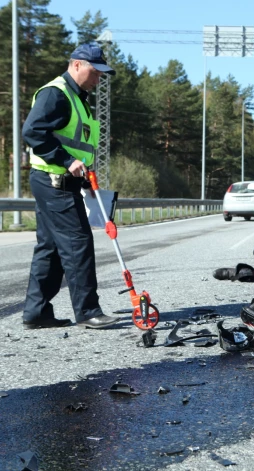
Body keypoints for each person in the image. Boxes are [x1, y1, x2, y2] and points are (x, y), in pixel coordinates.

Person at [21, 43, 119, 330]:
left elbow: (75, 144)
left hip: (63, 180)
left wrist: (85, 174)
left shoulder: (78, 98)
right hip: (53, 181)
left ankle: (36, 312)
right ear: (76, 64)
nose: (98, 78)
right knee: (78, 243)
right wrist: (65, 161)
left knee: (50, 249)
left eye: (102, 73)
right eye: (95, 71)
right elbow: (33, 131)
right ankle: (88, 311)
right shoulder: (56, 94)